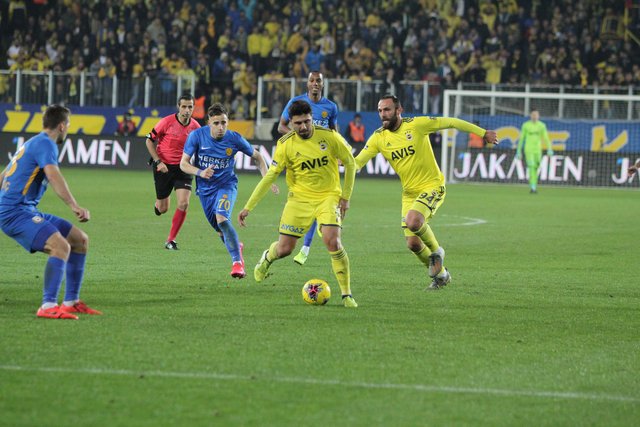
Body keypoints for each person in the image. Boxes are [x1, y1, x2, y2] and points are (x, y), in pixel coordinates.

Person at [354, 94, 498, 290]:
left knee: (413, 221)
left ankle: (437, 251)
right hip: (409, 193)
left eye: (387, 109)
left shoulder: (417, 125)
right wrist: (342, 161)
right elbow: (357, 163)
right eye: (380, 110)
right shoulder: (378, 138)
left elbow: (451, 122)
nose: (383, 114)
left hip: (432, 185)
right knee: (412, 244)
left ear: (399, 110)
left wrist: (482, 133)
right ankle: (441, 275)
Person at [238, 100, 358, 308]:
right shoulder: (286, 145)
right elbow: (270, 176)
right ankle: (267, 258)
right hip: (299, 199)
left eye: (307, 121)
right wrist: (249, 206)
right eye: (298, 123)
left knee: (333, 241)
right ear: (290, 123)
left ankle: (346, 295)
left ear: (312, 119)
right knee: (285, 249)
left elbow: (350, 163)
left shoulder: (329, 136)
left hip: (328, 196)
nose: (303, 127)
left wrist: (345, 197)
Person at [0, 105, 101, 319]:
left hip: (25, 209)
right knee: (60, 246)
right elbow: (54, 176)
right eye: (68, 125)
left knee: (79, 240)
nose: (68, 130)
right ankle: (48, 306)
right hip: (15, 213)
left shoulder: (32, 143)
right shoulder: (46, 144)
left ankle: (71, 302)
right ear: (62, 126)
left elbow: (4, 175)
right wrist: (74, 205)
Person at [180, 103, 278, 278]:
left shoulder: (234, 138)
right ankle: (236, 246)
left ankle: (237, 263)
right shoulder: (197, 136)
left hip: (226, 185)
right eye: (216, 123)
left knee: (222, 219)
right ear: (209, 122)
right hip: (205, 190)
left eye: (224, 122)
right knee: (220, 230)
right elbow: (183, 164)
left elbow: (258, 157)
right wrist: (201, 172)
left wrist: (267, 179)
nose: (220, 127)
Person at [277, 71, 339, 266]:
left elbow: (333, 132)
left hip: (322, 161)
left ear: (323, 84)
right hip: (301, 161)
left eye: (318, 80)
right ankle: (303, 245)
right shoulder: (295, 103)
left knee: (319, 200)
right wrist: (299, 139)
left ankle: (306, 248)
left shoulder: (331, 107)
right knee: (307, 200)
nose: (315, 83)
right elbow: (281, 127)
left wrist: (337, 153)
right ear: (307, 83)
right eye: (312, 80)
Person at [145, 94, 201, 250]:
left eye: (190, 107)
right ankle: (158, 205)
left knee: (184, 203)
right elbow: (149, 140)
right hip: (164, 167)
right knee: (163, 209)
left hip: (184, 167)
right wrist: (158, 161)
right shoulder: (166, 122)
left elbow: (201, 148)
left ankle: (171, 240)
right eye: (184, 106)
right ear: (178, 107)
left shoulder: (196, 127)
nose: (187, 110)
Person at [515, 109, 553, 193]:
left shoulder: (542, 125)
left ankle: (533, 184)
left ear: (538, 116)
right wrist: (518, 151)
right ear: (530, 115)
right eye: (533, 115)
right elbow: (521, 139)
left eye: (536, 115)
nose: (534, 116)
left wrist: (549, 148)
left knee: (536, 166)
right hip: (528, 149)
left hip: (538, 150)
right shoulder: (526, 125)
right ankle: (533, 187)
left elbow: (546, 138)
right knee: (531, 167)